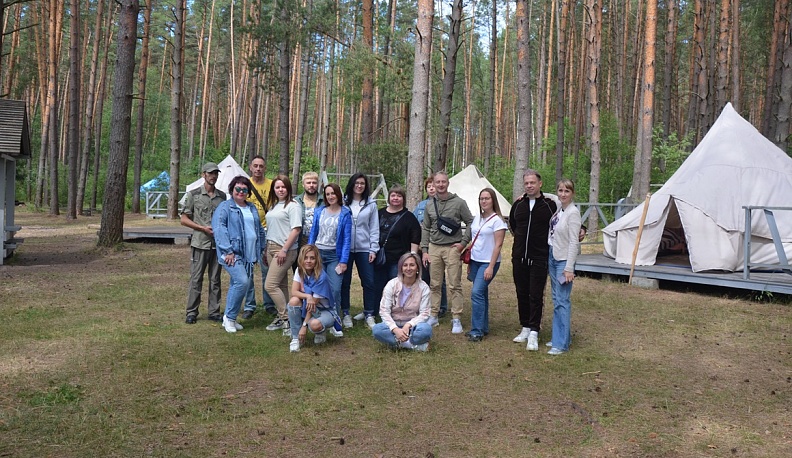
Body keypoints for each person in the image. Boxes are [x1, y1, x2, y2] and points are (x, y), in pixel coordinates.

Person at [420, 171, 474, 334]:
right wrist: (424, 250)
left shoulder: (459, 203)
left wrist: (463, 244)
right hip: (434, 247)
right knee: (434, 284)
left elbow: (471, 222)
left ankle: (456, 317)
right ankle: (434, 314)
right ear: (434, 184)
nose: (441, 185)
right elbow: (426, 228)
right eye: (438, 182)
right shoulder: (429, 204)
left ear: (448, 183)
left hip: (452, 248)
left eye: (443, 182)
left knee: (454, 284)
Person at [509, 169, 557, 350]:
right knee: (521, 292)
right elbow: (513, 226)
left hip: (539, 256)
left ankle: (535, 331)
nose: (529, 186)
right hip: (519, 256)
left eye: (532, 183)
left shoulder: (549, 205)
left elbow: (562, 220)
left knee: (536, 294)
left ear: (540, 184)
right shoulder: (518, 205)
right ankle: (525, 327)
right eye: (526, 183)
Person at [212, 176, 265, 333]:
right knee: (241, 281)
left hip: (250, 253)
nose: (241, 192)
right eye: (238, 189)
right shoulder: (225, 207)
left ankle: (230, 318)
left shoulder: (252, 207)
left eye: (244, 189)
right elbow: (219, 228)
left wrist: (261, 249)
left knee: (239, 284)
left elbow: (259, 229)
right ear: (232, 190)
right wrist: (227, 250)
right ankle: (229, 318)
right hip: (234, 253)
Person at [181, 162, 227, 324]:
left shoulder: (222, 197)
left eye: (215, 173)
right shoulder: (193, 195)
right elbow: (184, 219)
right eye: (210, 173)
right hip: (200, 243)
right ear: (203, 175)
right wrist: (202, 228)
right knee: (196, 278)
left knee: (215, 279)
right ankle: (191, 312)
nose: (213, 176)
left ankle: (214, 311)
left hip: (217, 245)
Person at [308, 183, 352, 336]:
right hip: (318, 254)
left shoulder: (345, 214)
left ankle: (335, 322)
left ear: (338, 194)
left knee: (334, 289)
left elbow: (347, 239)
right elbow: (313, 232)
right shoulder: (319, 211)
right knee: (316, 288)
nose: (330, 196)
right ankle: (318, 320)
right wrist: (308, 252)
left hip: (335, 256)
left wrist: (344, 261)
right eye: (327, 194)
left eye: (333, 193)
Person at [465, 188, 508, 342]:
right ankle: (483, 327)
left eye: (487, 198)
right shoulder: (477, 218)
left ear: (493, 200)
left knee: (476, 293)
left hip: (488, 262)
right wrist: (470, 262)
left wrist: (490, 266)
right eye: (482, 198)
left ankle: (476, 330)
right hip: (476, 260)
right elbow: (474, 240)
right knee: (481, 293)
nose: (484, 201)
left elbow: (498, 245)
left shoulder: (498, 221)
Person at [373, 185, 421, 320]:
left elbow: (415, 236)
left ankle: (397, 312)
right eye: (393, 195)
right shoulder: (379, 213)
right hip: (380, 257)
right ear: (389, 198)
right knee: (378, 285)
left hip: (399, 260)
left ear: (403, 199)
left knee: (397, 287)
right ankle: (376, 310)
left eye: (399, 196)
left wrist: (412, 256)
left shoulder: (409, 217)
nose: (396, 198)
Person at [263, 175, 303, 334]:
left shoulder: (293, 206)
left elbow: (296, 229)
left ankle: (285, 318)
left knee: (270, 285)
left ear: (288, 188)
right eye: (277, 187)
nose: (280, 190)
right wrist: (267, 249)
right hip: (271, 247)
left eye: (283, 187)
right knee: (280, 285)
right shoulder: (273, 205)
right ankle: (290, 316)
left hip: (285, 249)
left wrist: (284, 250)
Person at [546, 179, 581, 355]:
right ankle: (560, 335)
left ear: (572, 193)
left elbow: (574, 242)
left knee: (562, 300)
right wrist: (533, 193)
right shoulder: (560, 208)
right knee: (556, 298)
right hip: (553, 256)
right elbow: (551, 196)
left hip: (563, 261)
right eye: (560, 190)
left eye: (567, 191)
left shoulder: (573, 213)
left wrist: (569, 268)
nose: (563, 194)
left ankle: (561, 344)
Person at [341, 173, 380, 328]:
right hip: (346, 248)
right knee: (345, 282)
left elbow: (374, 228)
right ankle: (345, 313)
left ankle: (369, 313)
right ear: (352, 184)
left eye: (362, 183)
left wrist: (373, 249)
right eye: (356, 183)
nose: (359, 186)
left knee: (369, 282)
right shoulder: (343, 202)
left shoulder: (371, 204)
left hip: (365, 249)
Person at [371, 252, 432, 351]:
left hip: (413, 326)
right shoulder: (391, 284)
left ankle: (396, 343)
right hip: (393, 323)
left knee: (426, 330)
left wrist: (408, 325)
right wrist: (395, 329)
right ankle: (411, 345)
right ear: (401, 268)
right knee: (377, 330)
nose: (408, 268)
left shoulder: (424, 287)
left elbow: (425, 313)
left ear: (417, 268)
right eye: (405, 265)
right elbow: (384, 311)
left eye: (412, 265)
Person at [287, 245, 341, 353]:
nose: (308, 261)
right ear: (301, 258)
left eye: (312, 258)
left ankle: (320, 331)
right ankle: (295, 338)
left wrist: (304, 326)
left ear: (317, 260)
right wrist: (308, 296)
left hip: (324, 310)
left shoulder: (322, 276)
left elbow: (313, 306)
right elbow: (294, 292)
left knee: (314, 325)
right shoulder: (299, 270)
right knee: (293, 301)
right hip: (309, 305)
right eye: (306, 257)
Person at [240, 155, 276, 320]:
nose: (258, 169)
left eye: (261, 166)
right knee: (248, 271)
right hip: (248, 231)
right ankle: (249, 305)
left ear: (265, 168)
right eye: (255, 166)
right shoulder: (244, 185)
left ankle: (269, 304)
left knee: (267, 269)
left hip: (267, 231)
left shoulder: (271, 185)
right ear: (250, 167)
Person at [413, 175, 447, 317]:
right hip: (423, 247)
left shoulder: (445, 204)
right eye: (429, 186)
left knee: (439, 277)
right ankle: (425, 305)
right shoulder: (421, 206)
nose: (432, 188)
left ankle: (442, 306)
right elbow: (415, 226)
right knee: (424, 276)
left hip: (438, 245)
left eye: (433, 185)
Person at [294, 171, 324, 249]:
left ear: (318, 184)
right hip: (300, 241)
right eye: (308, 183)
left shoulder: (324, 202)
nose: (311, 185)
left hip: (319, 242)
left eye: (314, 183)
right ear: (303, 184)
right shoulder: (296, 201)